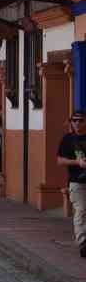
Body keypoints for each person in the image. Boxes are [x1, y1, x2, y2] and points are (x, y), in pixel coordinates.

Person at [57, 111, 86, 258]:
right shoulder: (67, 139)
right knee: (81, 210)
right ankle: (82, 243)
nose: (77, 123)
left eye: (80, 120)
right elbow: (60, 160)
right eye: (74, 120)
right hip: (77, 181)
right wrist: (77, 162)